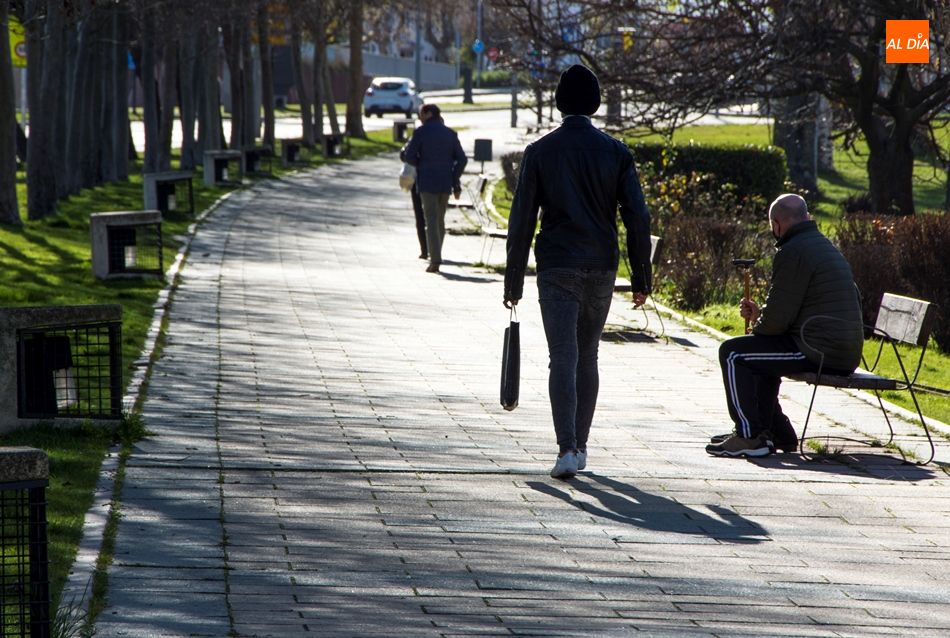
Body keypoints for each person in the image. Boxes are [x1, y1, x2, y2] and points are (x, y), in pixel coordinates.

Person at [503, 64, 652, 479]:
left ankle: (566, 448)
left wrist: (513, 279)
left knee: (562, 356)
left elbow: (521, 221)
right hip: (602, 264)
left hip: (557, 264)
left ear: (558, 103)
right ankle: (581, 446)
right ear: (596, 103)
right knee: (588, 355)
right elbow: (638, 217)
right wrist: (642, 277)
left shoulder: (539, 152)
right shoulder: (617, 153)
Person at [707, 193, 864, 458]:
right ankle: (774, 432)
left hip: (819, 349)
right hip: (839, 347)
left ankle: (749, 436)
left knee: (734, 353)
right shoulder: (821, 244)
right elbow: (791, 308)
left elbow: (777, 321)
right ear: (806, 217)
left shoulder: (794, 251)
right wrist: (761, 318)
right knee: (756, 356)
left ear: (777, 224)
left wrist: (758, 326)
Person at [402, 104, 467, 273]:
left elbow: (409, 156)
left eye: (421, 113)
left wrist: (422, 165)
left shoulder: (421, 132)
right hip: (445, 182)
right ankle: (436, 252)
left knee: (430, 219)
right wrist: (454, 178)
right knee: (439, 219)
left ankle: (435, 259)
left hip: (427, 182)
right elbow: (462, 159)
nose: (420, 117)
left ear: (428, 113)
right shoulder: (450, 134)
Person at [399, 142, 428, 259]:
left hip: (418, 181)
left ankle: (425, 249)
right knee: (434, 217)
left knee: (419, 215)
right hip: (437, 182)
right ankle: (434, 249)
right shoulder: (447, 134)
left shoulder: (418, 135)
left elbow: (404, 155)